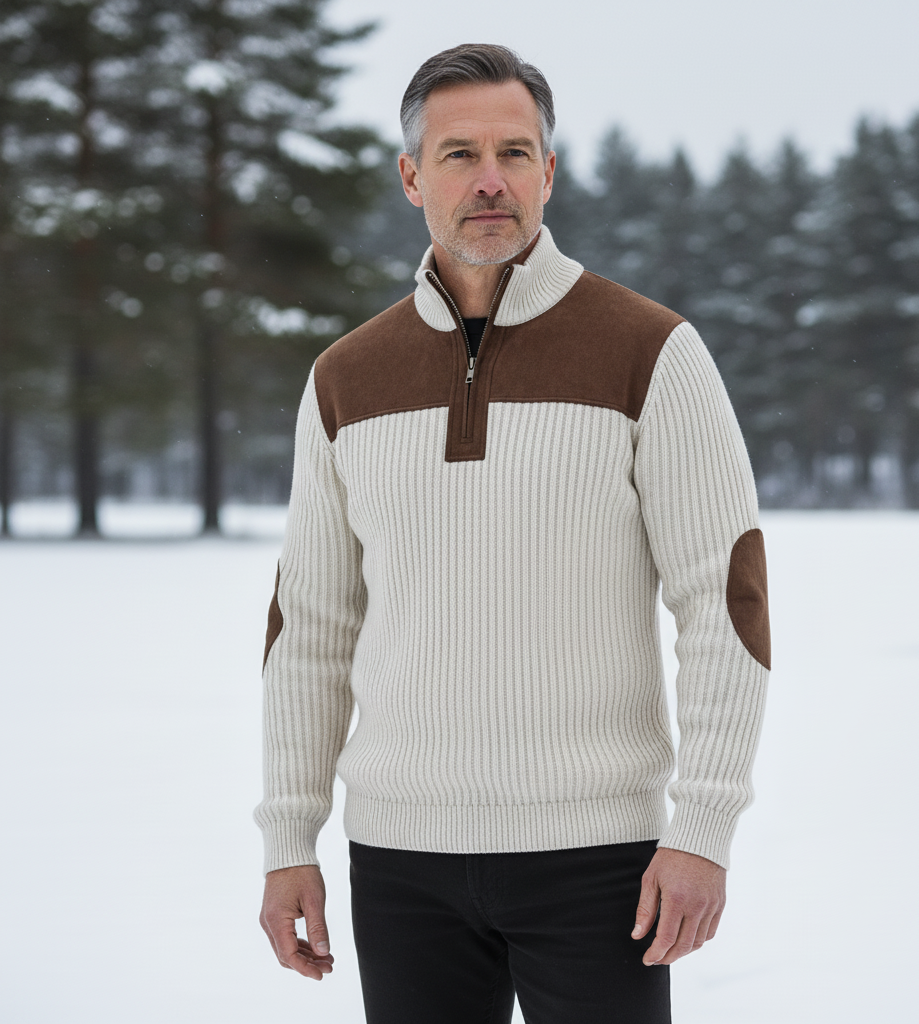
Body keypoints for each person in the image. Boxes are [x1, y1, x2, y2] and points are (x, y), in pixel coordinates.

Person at [255, 42, 771, 1024]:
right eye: (458, 154)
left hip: (599, 860)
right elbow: (309, 627)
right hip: (400, 861)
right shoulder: (345, 378)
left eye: (514, 152)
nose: (489, 179)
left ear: (549, 172)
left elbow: (724, 601)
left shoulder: (651, 351)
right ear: (412, 177)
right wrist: (290, 839)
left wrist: (702, 827)